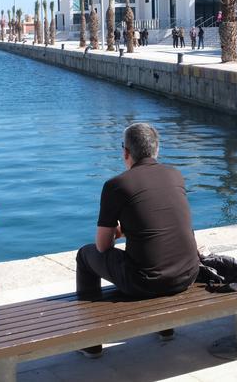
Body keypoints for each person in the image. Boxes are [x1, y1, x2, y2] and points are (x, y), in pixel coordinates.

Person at [76, 123, 199, 356]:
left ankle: (90, 341)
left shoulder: (116, 185)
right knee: (162, 252)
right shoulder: (176, 175)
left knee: (85, 255)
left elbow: (103, 246)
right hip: (187, 274)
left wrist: (117, 232)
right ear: (157, 150)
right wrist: (129, 229)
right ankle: (165, 330)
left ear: (125, 153)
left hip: (145, 283)